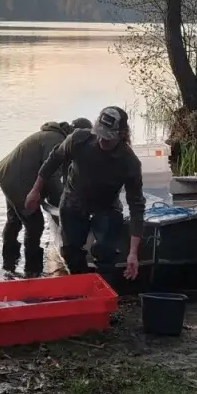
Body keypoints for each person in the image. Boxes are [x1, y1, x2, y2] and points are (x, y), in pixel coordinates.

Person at [25, 106, 144, 280]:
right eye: (100, 135)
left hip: (106, 206)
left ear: (121, 135)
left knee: (106, 253)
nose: (102, 141)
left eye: (108, 138)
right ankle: (80, 283)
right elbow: (53, 160)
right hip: (74, 199)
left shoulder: (130, 163)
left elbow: (136, 207)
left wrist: (133, 253)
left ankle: (103, 288)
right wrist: (35, 190)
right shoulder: (79, 139)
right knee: (71, 251)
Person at [0, 117, 92, 277]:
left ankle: (8, 264)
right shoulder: (56, 140)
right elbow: (53, 177)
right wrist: (65, 205)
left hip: (8, 174)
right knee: (35, 224)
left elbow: (64, 175)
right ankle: (32, 270)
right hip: (17, 179)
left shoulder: (60, 138)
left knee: (14, 220)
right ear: (75, 134)